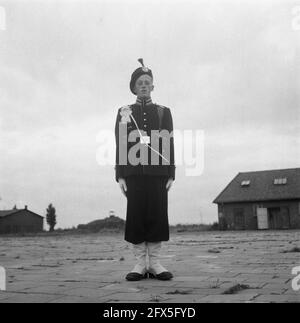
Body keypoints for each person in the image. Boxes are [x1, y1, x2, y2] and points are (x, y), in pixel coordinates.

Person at [114, 58, 176, 281]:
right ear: (133, 87)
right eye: (139, 82)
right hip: (133, 173)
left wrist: (171, 172)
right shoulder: (124, 112)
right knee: (137, 215)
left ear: (153, 86)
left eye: (147, 82)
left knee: (157, 215)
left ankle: (156, 263)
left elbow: (168, 142)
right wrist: (120, 174)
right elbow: (121, 143)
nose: (143, 85)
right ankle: (140, 263)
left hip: (158, 172)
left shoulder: (163, 112)